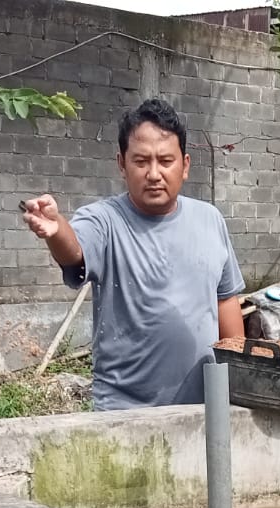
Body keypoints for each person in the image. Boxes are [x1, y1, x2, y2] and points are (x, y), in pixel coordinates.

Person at [23, 98, 246, 411]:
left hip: (204, 407)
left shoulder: (210, 219)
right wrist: (57, 228)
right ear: (121, 164)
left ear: (185, 165)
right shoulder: (104, 220)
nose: (154, 173)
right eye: (141, 162)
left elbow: (226, 300)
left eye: (165, 161)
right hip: (125, 412)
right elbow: (74, 251)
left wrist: (238, 381)